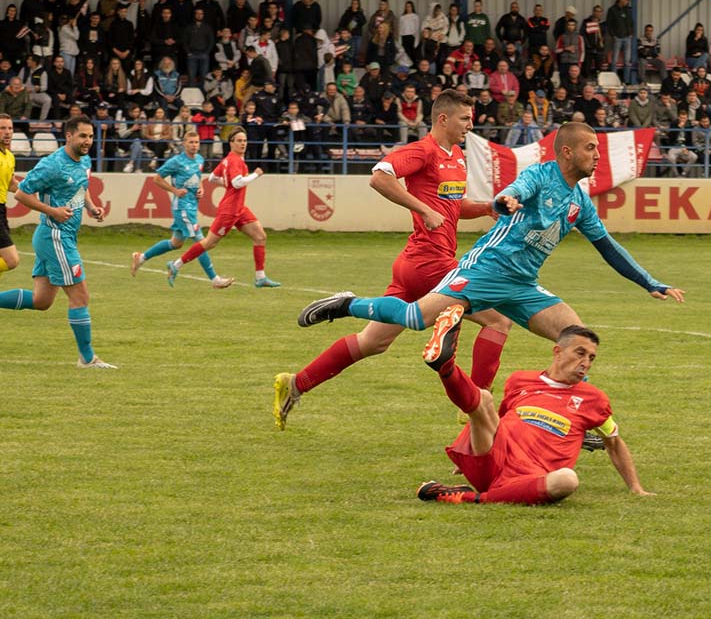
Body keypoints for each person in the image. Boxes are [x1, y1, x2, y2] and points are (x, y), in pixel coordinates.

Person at [294, 121, 684, 361]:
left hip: (522, 285)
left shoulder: (580, 201)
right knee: (415, 318)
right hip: (484, 271)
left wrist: (651, 282)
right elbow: (512, 191)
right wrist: (504, 200)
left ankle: (564, 416)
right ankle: (347, 304)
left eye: (598, 149)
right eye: (590, 148)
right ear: (566, 152)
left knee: (577, 341)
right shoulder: (540, 176)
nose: (597, 156)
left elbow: (608, 247)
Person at [272, 89, 511, 430]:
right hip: (432, 265)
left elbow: (453, 209)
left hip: (416, 263)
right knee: (499, 321)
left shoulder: (456, 155)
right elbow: (379, 177)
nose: (470, 124)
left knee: (373, 342)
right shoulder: (422, 151)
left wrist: (489, 207)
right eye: (464, 118)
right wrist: (422, 209)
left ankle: (295, 384)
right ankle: (477, 402)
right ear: (442, 119)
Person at [416, 323, 652, 505]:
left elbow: (614, 443)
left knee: (567, 480)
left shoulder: (594, 400)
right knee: (484, 398)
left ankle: (463, 496)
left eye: (591, 357)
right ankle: (445, 366)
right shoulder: (520, 380)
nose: (586, 362)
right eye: (580, 353)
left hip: (528, 479)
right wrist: (466, 456)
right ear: (557, 351)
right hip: (493, 459)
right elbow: (495, 419)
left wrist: (636, 487)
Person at [0, 116, 116, 368]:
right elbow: (21, 193)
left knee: (42, 301)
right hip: (55, 236)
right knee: (80, 296)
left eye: (90, 136)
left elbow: (81, 187)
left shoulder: (84, 160)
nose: (88, 141)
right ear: (69, 136)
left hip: (57, 236)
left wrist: (92, 207)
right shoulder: (51, 165)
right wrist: (52, 211)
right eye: (83, 136)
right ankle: (87, 359)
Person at [165, 128, 280, 288]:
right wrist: (256, 175)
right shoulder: (234, 160)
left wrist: (226, 183)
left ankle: (260, 277)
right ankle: (176, 265)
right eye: (239, 141)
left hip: (240, 208)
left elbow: (212, 177)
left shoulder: (228, 159)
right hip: (230, 210)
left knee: (260, 236)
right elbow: (237, 182)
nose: (243, 143)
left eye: (244, 141)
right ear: (231, 143)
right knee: (209, 243)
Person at [130, 130, 234, 288]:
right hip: (182, 208)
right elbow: (157, 178)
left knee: (176, 243)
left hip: (192, 206)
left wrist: (201, 189)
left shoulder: (199, 159)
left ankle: (141, 258)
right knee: (202, 242)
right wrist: (175, 191)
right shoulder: (176, 161)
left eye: (196, 142)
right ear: (184, 144)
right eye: (191, 142)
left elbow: (197, 178)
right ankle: (214, 279)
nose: (194, 145)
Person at [0, 114, 19, 277]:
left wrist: (35, 188)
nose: (7, 132)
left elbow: (11, 184)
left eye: (10, 128)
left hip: (2, 209)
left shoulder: (9, 156)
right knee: (11, 260)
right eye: (2, 128)